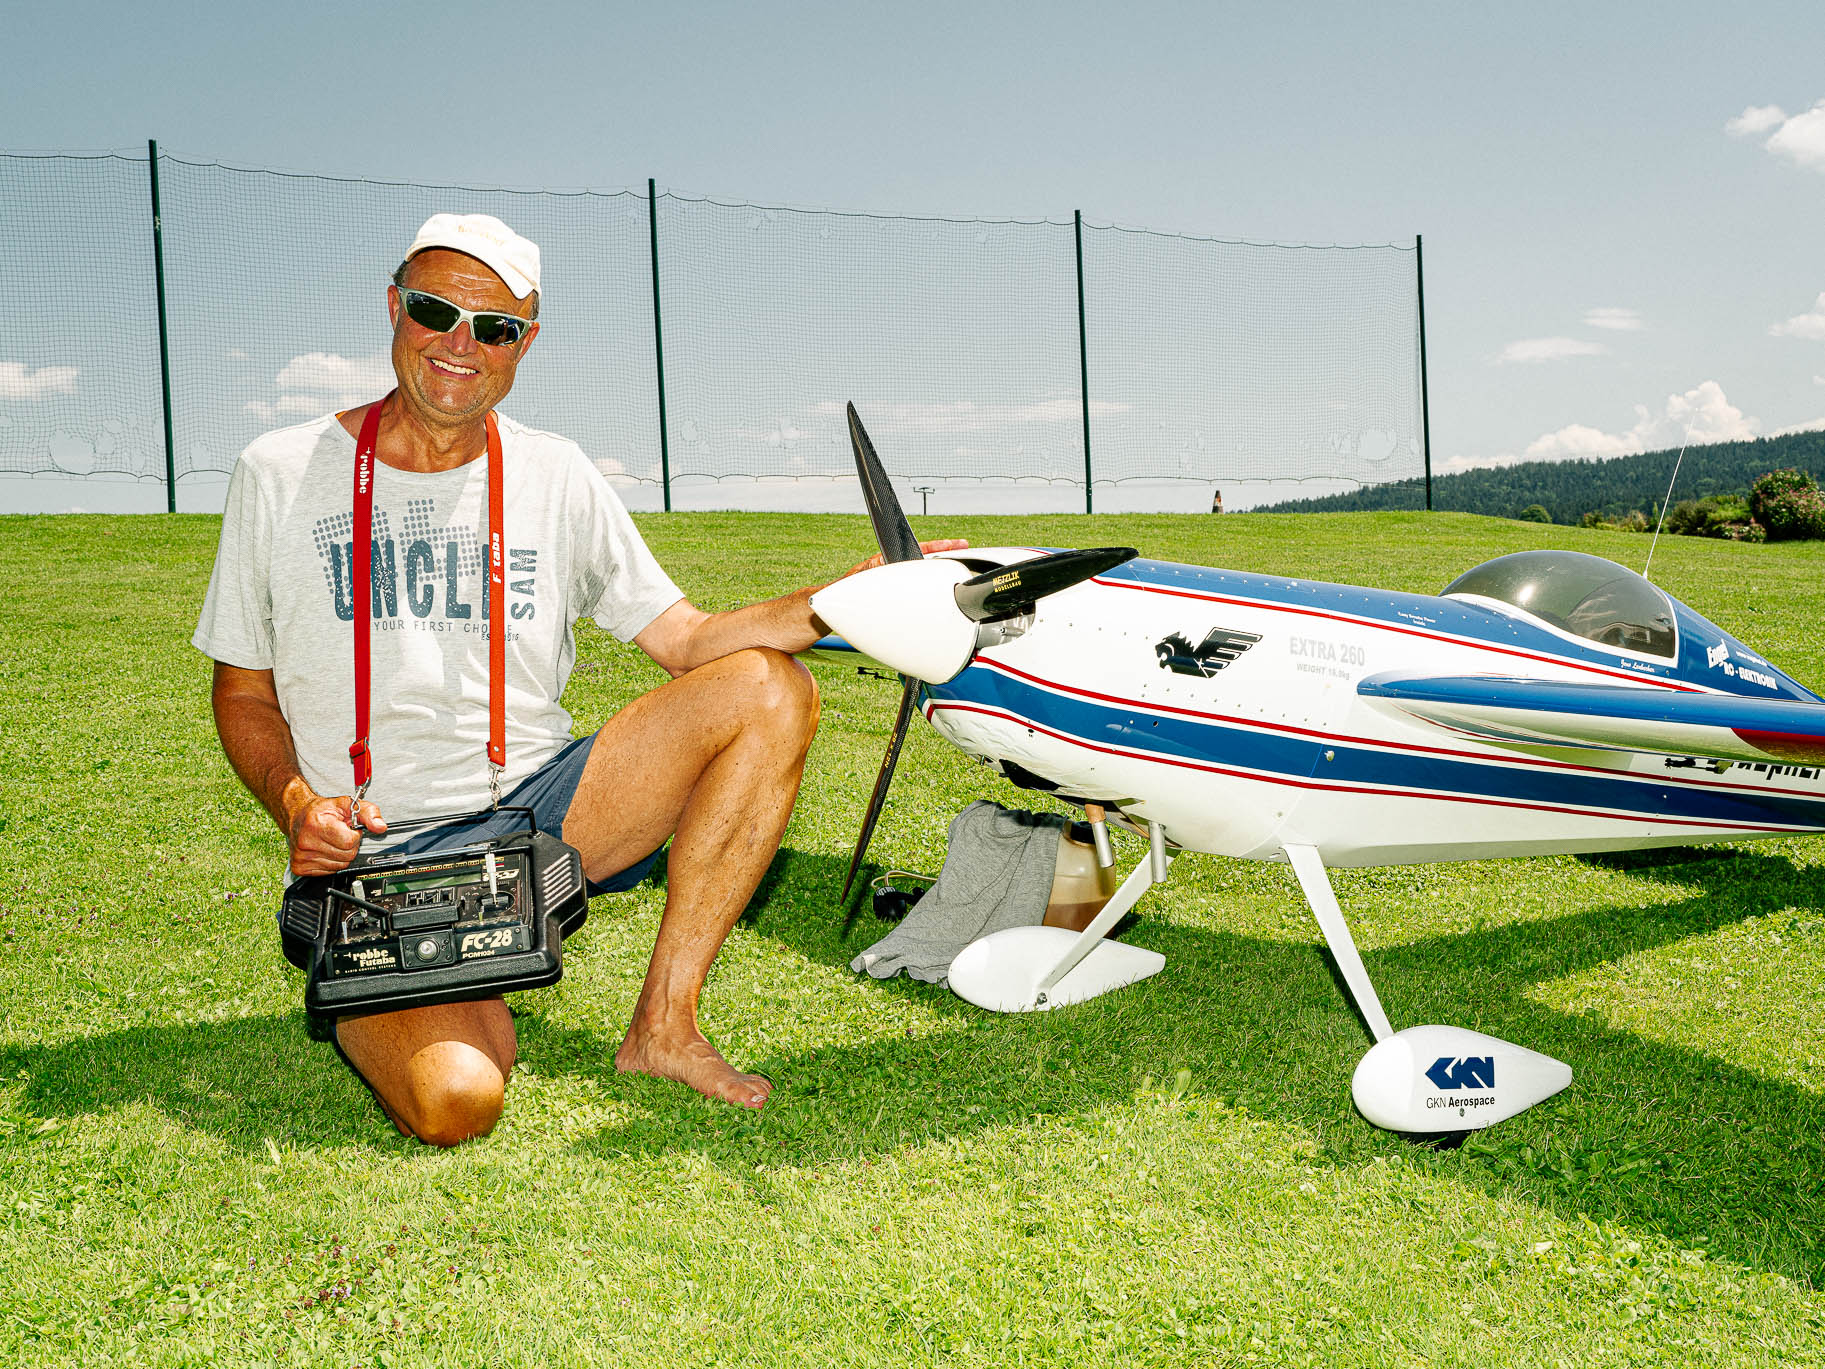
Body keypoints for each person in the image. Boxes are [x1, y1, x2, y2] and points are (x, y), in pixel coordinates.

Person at [194, 212, 959, 1146]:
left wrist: (848, 600)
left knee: (768, 688)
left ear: (525, 342)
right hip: (377, 850)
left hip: (541, 810)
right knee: (457, 1102)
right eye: (436, 311)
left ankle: (664, 1027)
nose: (459, 344)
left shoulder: (557, 474)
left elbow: (687, 641)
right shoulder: (279, 471)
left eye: (496, 327)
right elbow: (242, 690)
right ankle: (449, 987)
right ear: (394, 307)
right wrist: (295, 804)